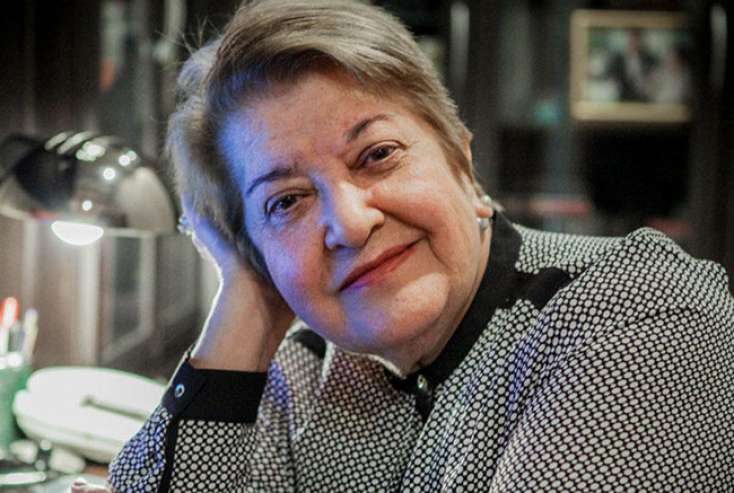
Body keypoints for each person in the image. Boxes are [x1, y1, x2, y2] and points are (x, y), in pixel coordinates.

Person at [73, 1, 734, 491]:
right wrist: (244, 299)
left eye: (378, 155)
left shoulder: (641, 311)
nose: (350, 222)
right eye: (286, 201)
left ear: (462, 164)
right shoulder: (302, 371)